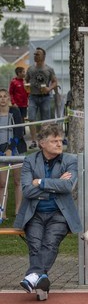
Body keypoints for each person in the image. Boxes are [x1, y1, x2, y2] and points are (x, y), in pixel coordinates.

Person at [15, 123, 82, 301]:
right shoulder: (30, 160)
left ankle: (32, 276)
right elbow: (27, 190)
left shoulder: (70, 160)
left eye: (61, 140)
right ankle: (41, 280)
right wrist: (54, 183)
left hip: (59, 213)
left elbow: (68, 186)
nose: (59, 144)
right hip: (34, 212)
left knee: (50, 243)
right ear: (42, 143)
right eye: (54, 141)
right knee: (35, 245)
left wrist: (41, 182)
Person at [25, 47, 58, 150]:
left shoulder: (49, 69)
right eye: (34, 54)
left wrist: (49, 89)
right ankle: (34, 140)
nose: (35, 56)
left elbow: (55, 82)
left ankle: (44, 140)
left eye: (37, 54)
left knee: (46, 120)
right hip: (33, 97)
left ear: (43, 56)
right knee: (31, 118)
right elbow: (26, 80)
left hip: (45, 97)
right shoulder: (30, 69)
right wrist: (26, 86)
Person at [0, 88, 24, 220]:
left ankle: (18, 209)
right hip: (1, 151)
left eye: (5, 96)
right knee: (2, 182)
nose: (2, 99)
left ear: (9, 98)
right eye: (0, 97)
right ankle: (2, 211)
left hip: (15, 149)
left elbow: (19, 132)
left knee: (17, 180)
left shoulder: (14, 111)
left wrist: (10, 147)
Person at [8, 66, 28, 142]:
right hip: (16, 105)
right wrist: (13, 103)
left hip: (24, 104)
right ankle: (16, 135)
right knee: (17, 119)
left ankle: (21, 135)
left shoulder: (25, 82)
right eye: (23, 72)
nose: (24, 73)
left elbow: (27, 93)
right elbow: (10, 93)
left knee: (22, 119)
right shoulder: (13, 82)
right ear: (19, 73)